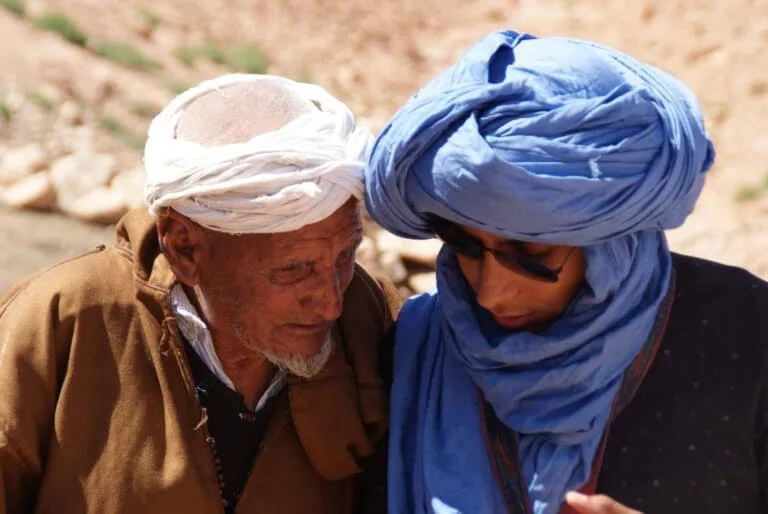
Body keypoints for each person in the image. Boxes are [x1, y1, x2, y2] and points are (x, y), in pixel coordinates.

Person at [365, 30, 768, 514]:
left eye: (530, 253)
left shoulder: (744, 334)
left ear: (610, 242)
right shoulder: (410, 353)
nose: (491, 295)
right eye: (467, 248)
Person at [0, 74, 401, 513]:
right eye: (293, 269)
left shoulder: (374, 322)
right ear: (185, 248)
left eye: (345, 255)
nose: (330, 301)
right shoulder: (63, 322)